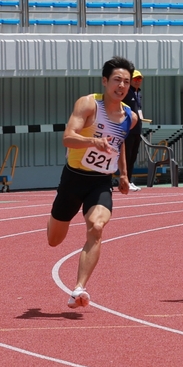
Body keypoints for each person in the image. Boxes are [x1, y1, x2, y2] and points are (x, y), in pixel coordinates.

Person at [47, 56, 139, 308]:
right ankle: (57, 214)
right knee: (54, 240)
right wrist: (92, 142)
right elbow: (68, 138)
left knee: (97, 227)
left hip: (100, 182)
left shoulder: (129, 117)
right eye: (117, 80)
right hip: (73, 179)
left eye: (126, 82)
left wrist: (123, 174)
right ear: (105, 81)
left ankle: (78, 289)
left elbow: (119, 145)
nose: (121, 86)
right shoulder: (89, 105)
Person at [123, 68, 145, 190]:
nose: (137, 81)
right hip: (127, 130)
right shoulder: (126, 92)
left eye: (139, 79)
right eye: (135, 79)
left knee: (132, 157)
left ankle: (129, 180)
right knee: (125, 156)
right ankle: (122, 180)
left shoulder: (138, 94)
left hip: (137, 130)